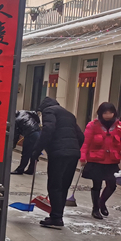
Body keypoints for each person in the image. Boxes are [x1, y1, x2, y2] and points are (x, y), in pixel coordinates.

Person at [32, 97, 84, 228]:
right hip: (73, 154)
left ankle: (56, 217)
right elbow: (81, 136)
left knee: (55, 185)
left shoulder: (48, 111)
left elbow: (48, 130)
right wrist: (74, 148)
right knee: (64, 185)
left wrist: (37, 150)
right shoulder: (68, 114)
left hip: (59, 153)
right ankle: (58, 216)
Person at [80, 102, 121, 220]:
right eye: (105, 113)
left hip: (111, 160)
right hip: (96, 160)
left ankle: (102, 203)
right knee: (97, 185)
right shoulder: (93, 125)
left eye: (110, 113)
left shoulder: (119, 126)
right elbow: (86, 142)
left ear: (114, 113)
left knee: (112, 185)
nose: (108, 115)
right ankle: (95, 209)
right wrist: (82, 157)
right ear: (100, 113)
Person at [11, 110, 41, 175]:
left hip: (30, 134)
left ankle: (20, 170)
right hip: (38, 132)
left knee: (25, 153)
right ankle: (31, 170)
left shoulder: (16, 120)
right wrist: (37, 123)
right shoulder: (24, 112)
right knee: (34, 152)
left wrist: (13, 145)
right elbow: (34, 113)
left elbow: (16, 135)